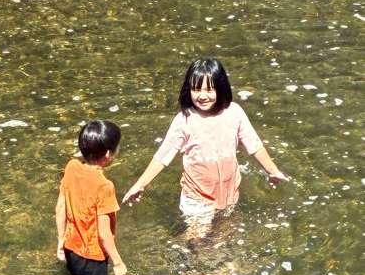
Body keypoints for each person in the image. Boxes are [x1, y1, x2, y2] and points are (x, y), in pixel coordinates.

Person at [122, 58, 288, 230]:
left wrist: (273, 171)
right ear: (188, 89)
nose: (202, 96)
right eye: (196, 89)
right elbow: (162, 157)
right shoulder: (185, 120)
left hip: (230, 193)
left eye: (209, 90)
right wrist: (139, 185)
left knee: (225, 233)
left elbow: (254, 146)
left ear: (221, 88)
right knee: (198, 238)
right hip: (197, 198)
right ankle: (180, 247)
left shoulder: (234, 113)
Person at [56, 120, 127, 275]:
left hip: (70, 248)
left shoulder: (71, 167)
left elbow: (60, 207)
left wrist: (60, 240)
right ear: (108, 154)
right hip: (93, 258)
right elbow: (104, 233)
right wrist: (118, 262)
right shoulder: (104, 186)